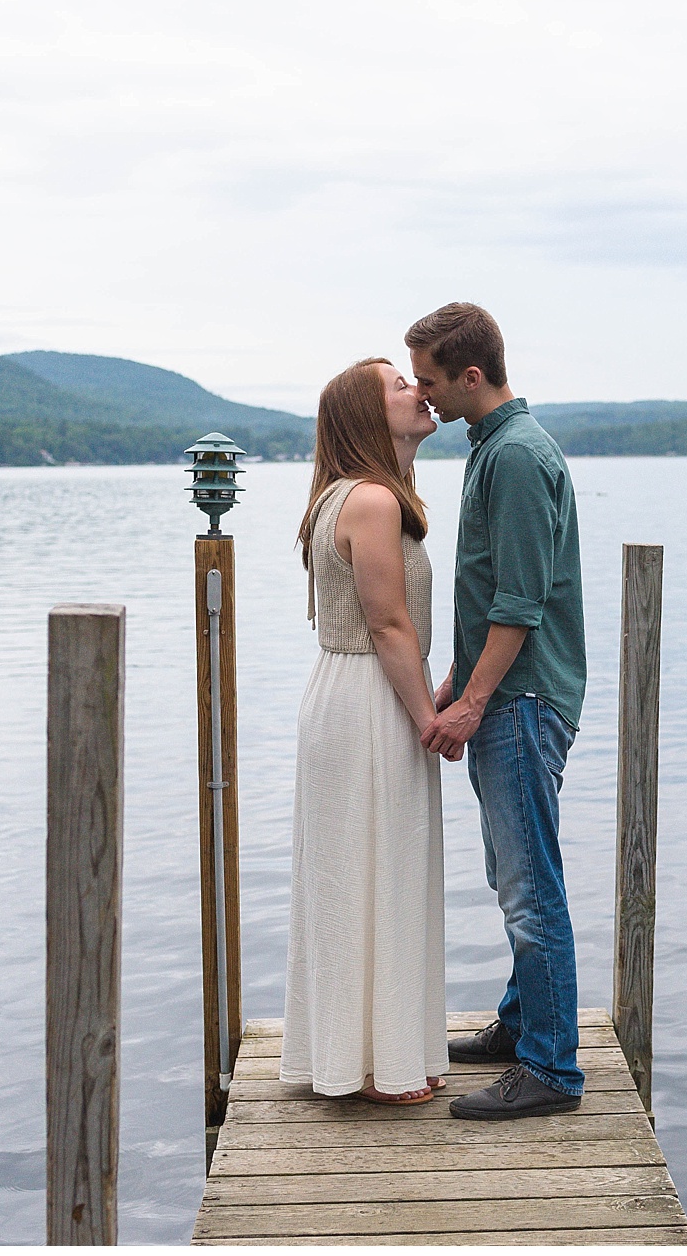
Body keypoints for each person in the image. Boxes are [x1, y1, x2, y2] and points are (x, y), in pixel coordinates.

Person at [410, 303, 588, 1121]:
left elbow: (520, 601)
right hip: (505, 693)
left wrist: (475, 702)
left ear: (470, 376)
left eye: (433, 381)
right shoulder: (496, 448)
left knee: (529, 887)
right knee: (514, 873)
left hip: (520, 701)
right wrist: (454, 678)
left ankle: (550, 1070)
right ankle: (521, 1027)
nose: (426, 396)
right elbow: (490, 597)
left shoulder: (516, 457)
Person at [280, 357, 453, 1105]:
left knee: (358, 870)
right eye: (399, 386)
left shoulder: (342, 497)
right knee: (376, 869)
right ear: (366, 417)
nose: (419, 390)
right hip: (368, 697)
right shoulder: (375, 502)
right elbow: (386, 624)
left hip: (345, 691)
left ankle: (365, 1054)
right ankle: (377, 1067)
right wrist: (429, 719)